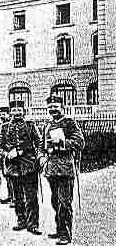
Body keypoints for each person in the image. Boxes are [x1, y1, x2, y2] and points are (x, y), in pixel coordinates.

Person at [38, 96, 85, 245]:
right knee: (55, 201)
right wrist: (41, 157)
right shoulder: (47, 125)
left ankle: (66, 234)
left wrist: (63, 142)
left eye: (56, 106)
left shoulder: (69, 122)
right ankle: (59, 229)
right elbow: (41, 145)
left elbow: (80, 142)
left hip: (65, 168)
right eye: (50, 107)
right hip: (51, 168)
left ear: (62, 107)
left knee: (65, 202)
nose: (53, 109)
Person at [0, 101, 42, 235]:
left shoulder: (30, 125)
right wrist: (7, 154)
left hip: (29, 166)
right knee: (17, 197)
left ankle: (33, 224)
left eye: (19, 110)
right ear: (10, 112)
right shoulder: (4, 127)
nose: (17, 113)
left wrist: (37, 157)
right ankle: (21, 220)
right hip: (13, 167)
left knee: (31, 197)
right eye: (14, 110)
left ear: (24, 111)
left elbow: (39, 143)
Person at [0, 106, 14, 206]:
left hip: (11, 154)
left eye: (4, 114)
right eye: (1, 114)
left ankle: (14, 198)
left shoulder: (10, 125)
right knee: (6, 176)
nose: (2, 116)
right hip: (2, 154)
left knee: (11, 177)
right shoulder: (0, 126)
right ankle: (10, 196)